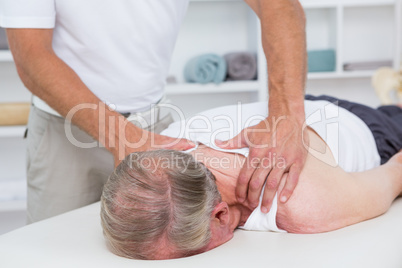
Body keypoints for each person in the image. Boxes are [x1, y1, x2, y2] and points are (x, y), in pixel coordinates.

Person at [0, 0, 307, 223]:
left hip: (155, 123)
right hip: (65, 129)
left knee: (169, 245)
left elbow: (278, 5)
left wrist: (286, 116)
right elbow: (31, 54)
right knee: (60, 253)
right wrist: (121, 136)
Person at [100, 95, 402, 260]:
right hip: (302, 111)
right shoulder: (151, 160)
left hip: (364, 129)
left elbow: (396, 172)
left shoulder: (301, 202)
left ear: (220, 216)